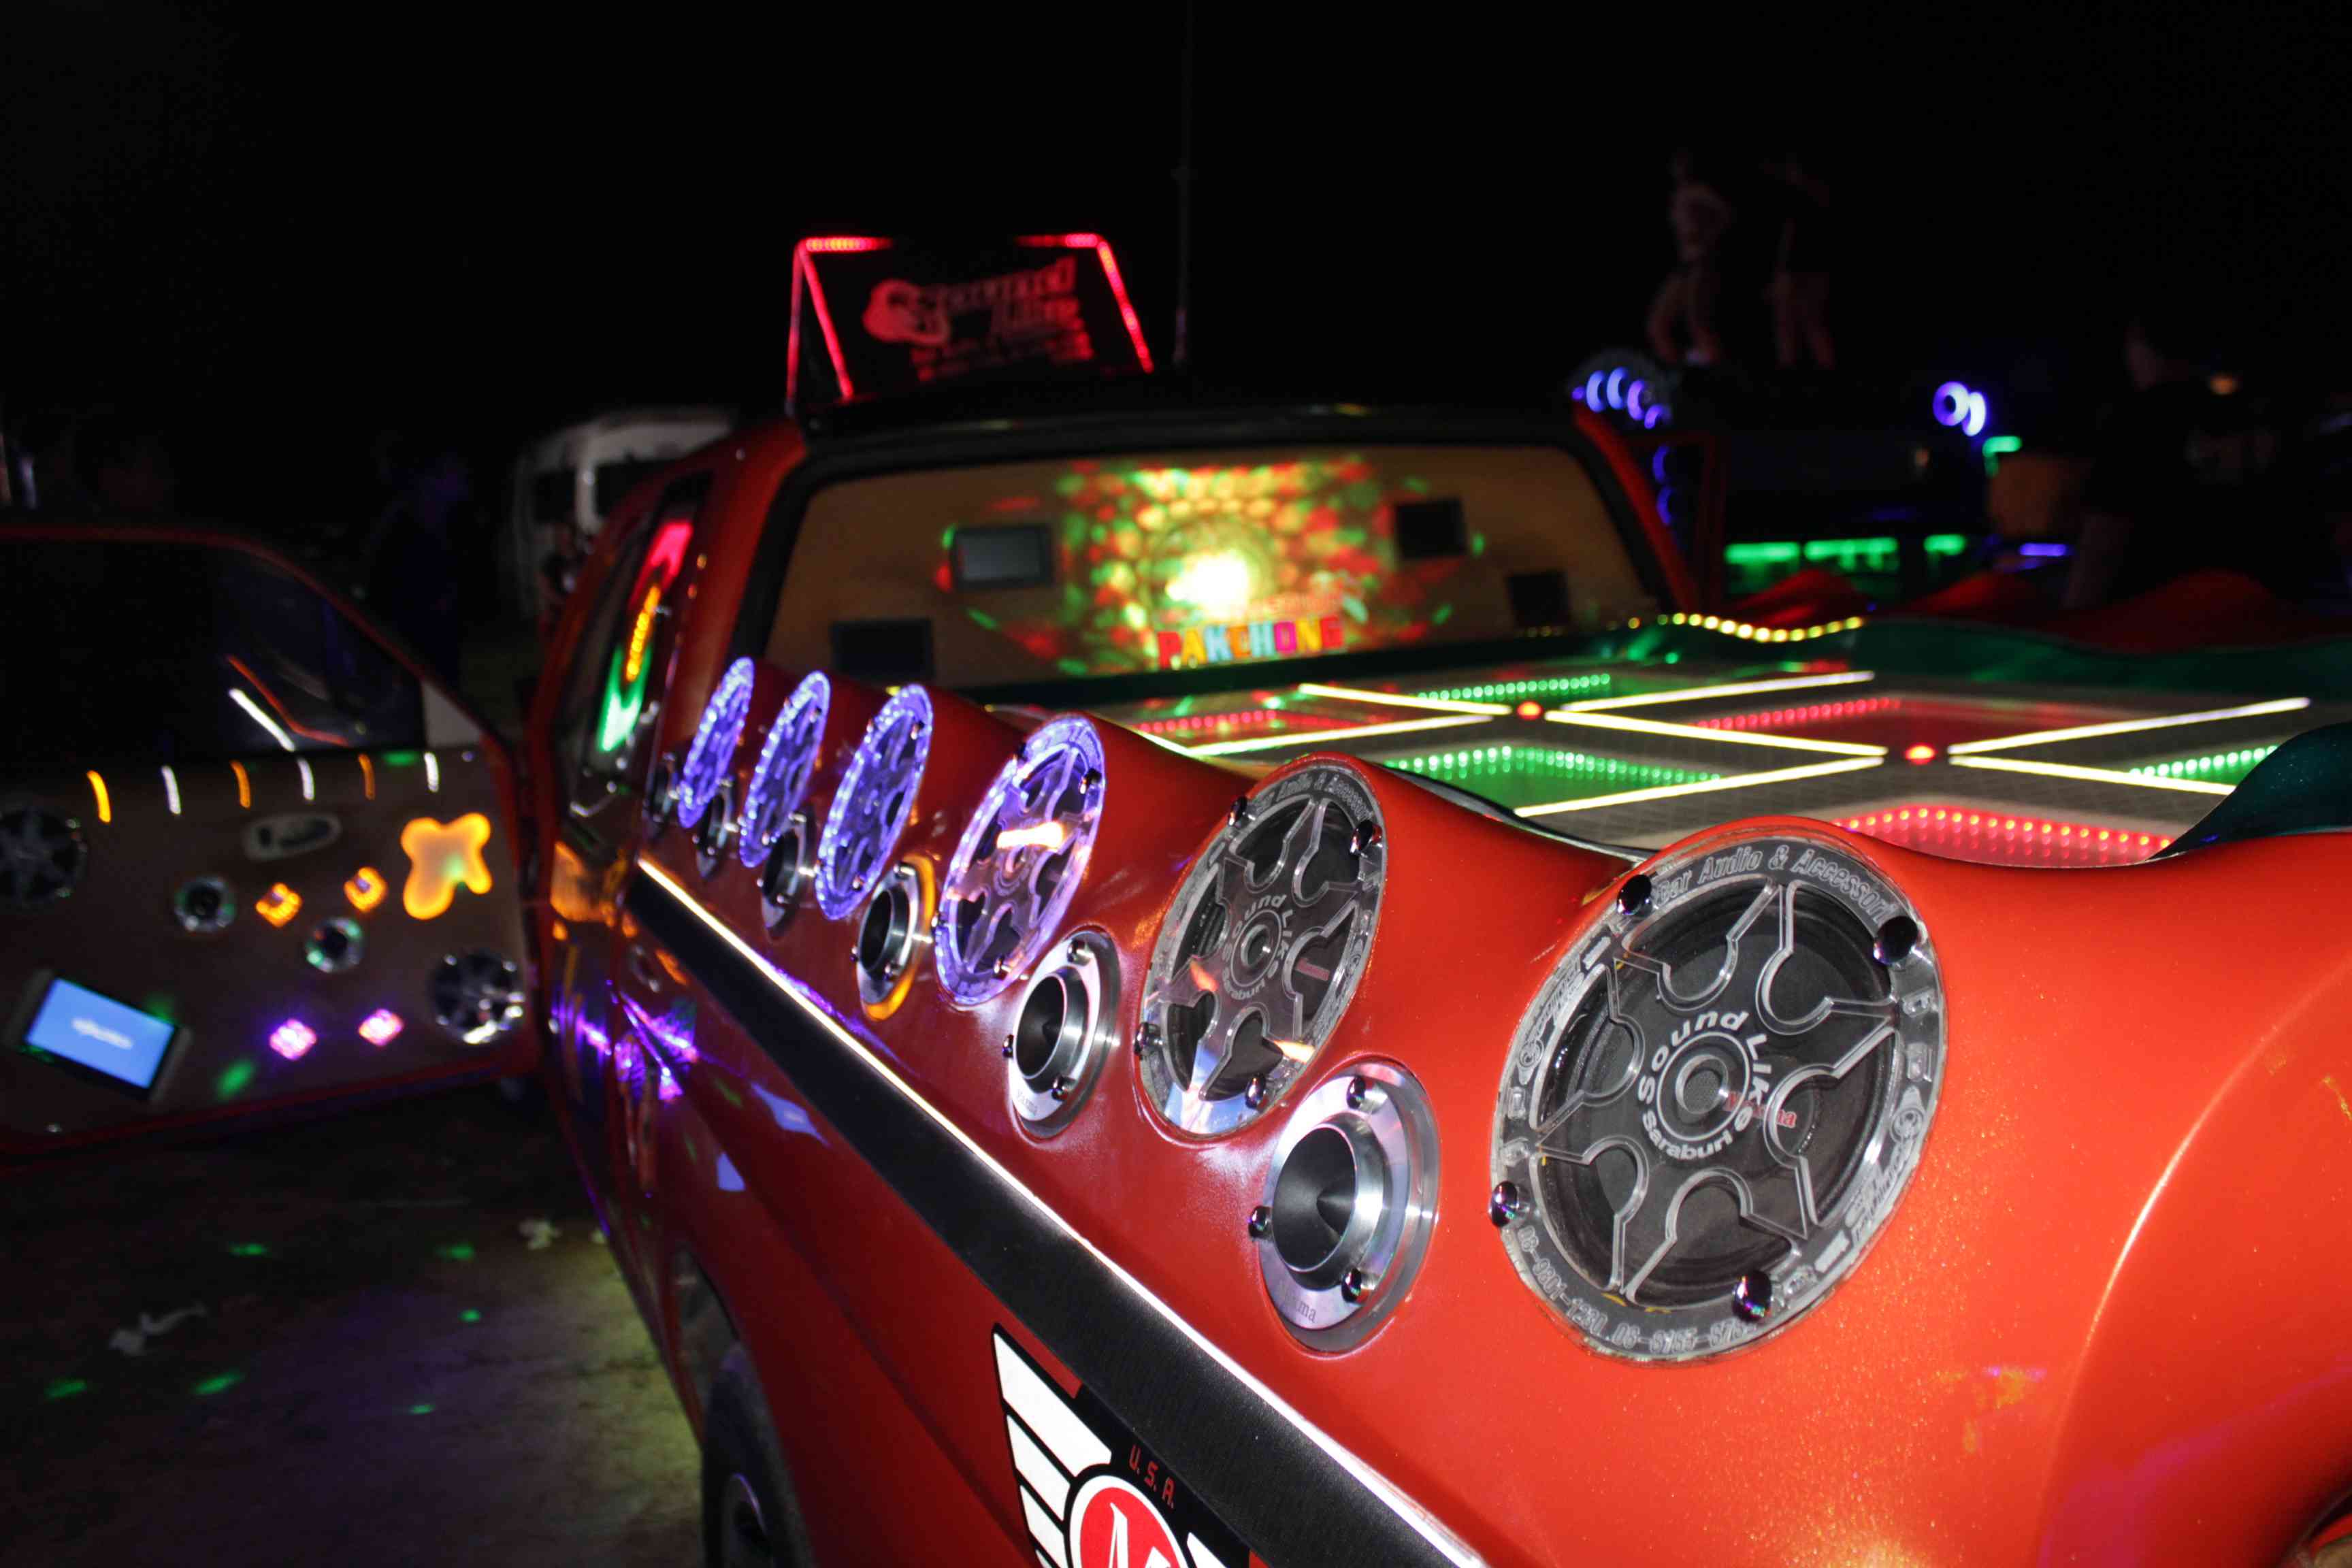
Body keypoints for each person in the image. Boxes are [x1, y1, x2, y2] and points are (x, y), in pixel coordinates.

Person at [1646, 149, 1735, 368]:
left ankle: (1715, 370)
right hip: (1684, 265)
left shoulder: (1700, 192)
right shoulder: (1678, 195)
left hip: (1702, 262)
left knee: (1699, 319)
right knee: (1660, 322)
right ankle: (1681, 368)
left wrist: (1707, 237)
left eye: (1683, 163)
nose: (1679, 168)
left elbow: (1727, 216)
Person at [1765, 153, 1835, 372]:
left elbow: (1790, 239)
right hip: (1810, 269)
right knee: (1805, 325)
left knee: (1795, 325)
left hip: (1800, 270)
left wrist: (1781, 272)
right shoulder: (1816, 196)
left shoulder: (1802, 198)